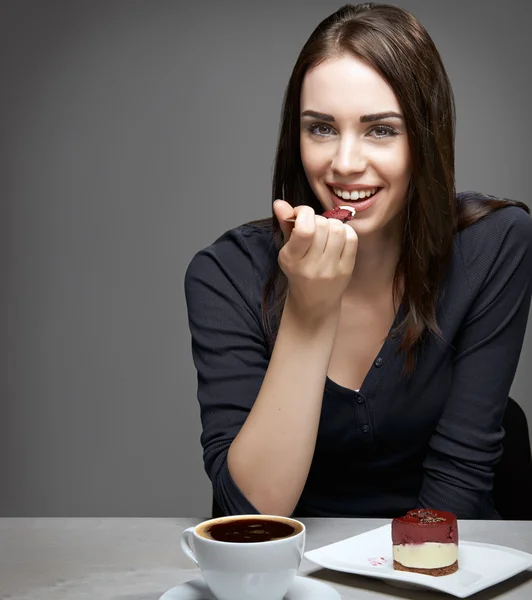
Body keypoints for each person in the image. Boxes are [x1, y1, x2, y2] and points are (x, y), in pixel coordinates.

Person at [184, 2, 532, 520]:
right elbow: (250, 515)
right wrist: (309, 312)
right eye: (321, 128)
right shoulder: (225, 274)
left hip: (440, 567)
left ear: (426, 137)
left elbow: (460, 477)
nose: (345, 164)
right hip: (293, 573)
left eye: (381, 130)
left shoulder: (495, 245)